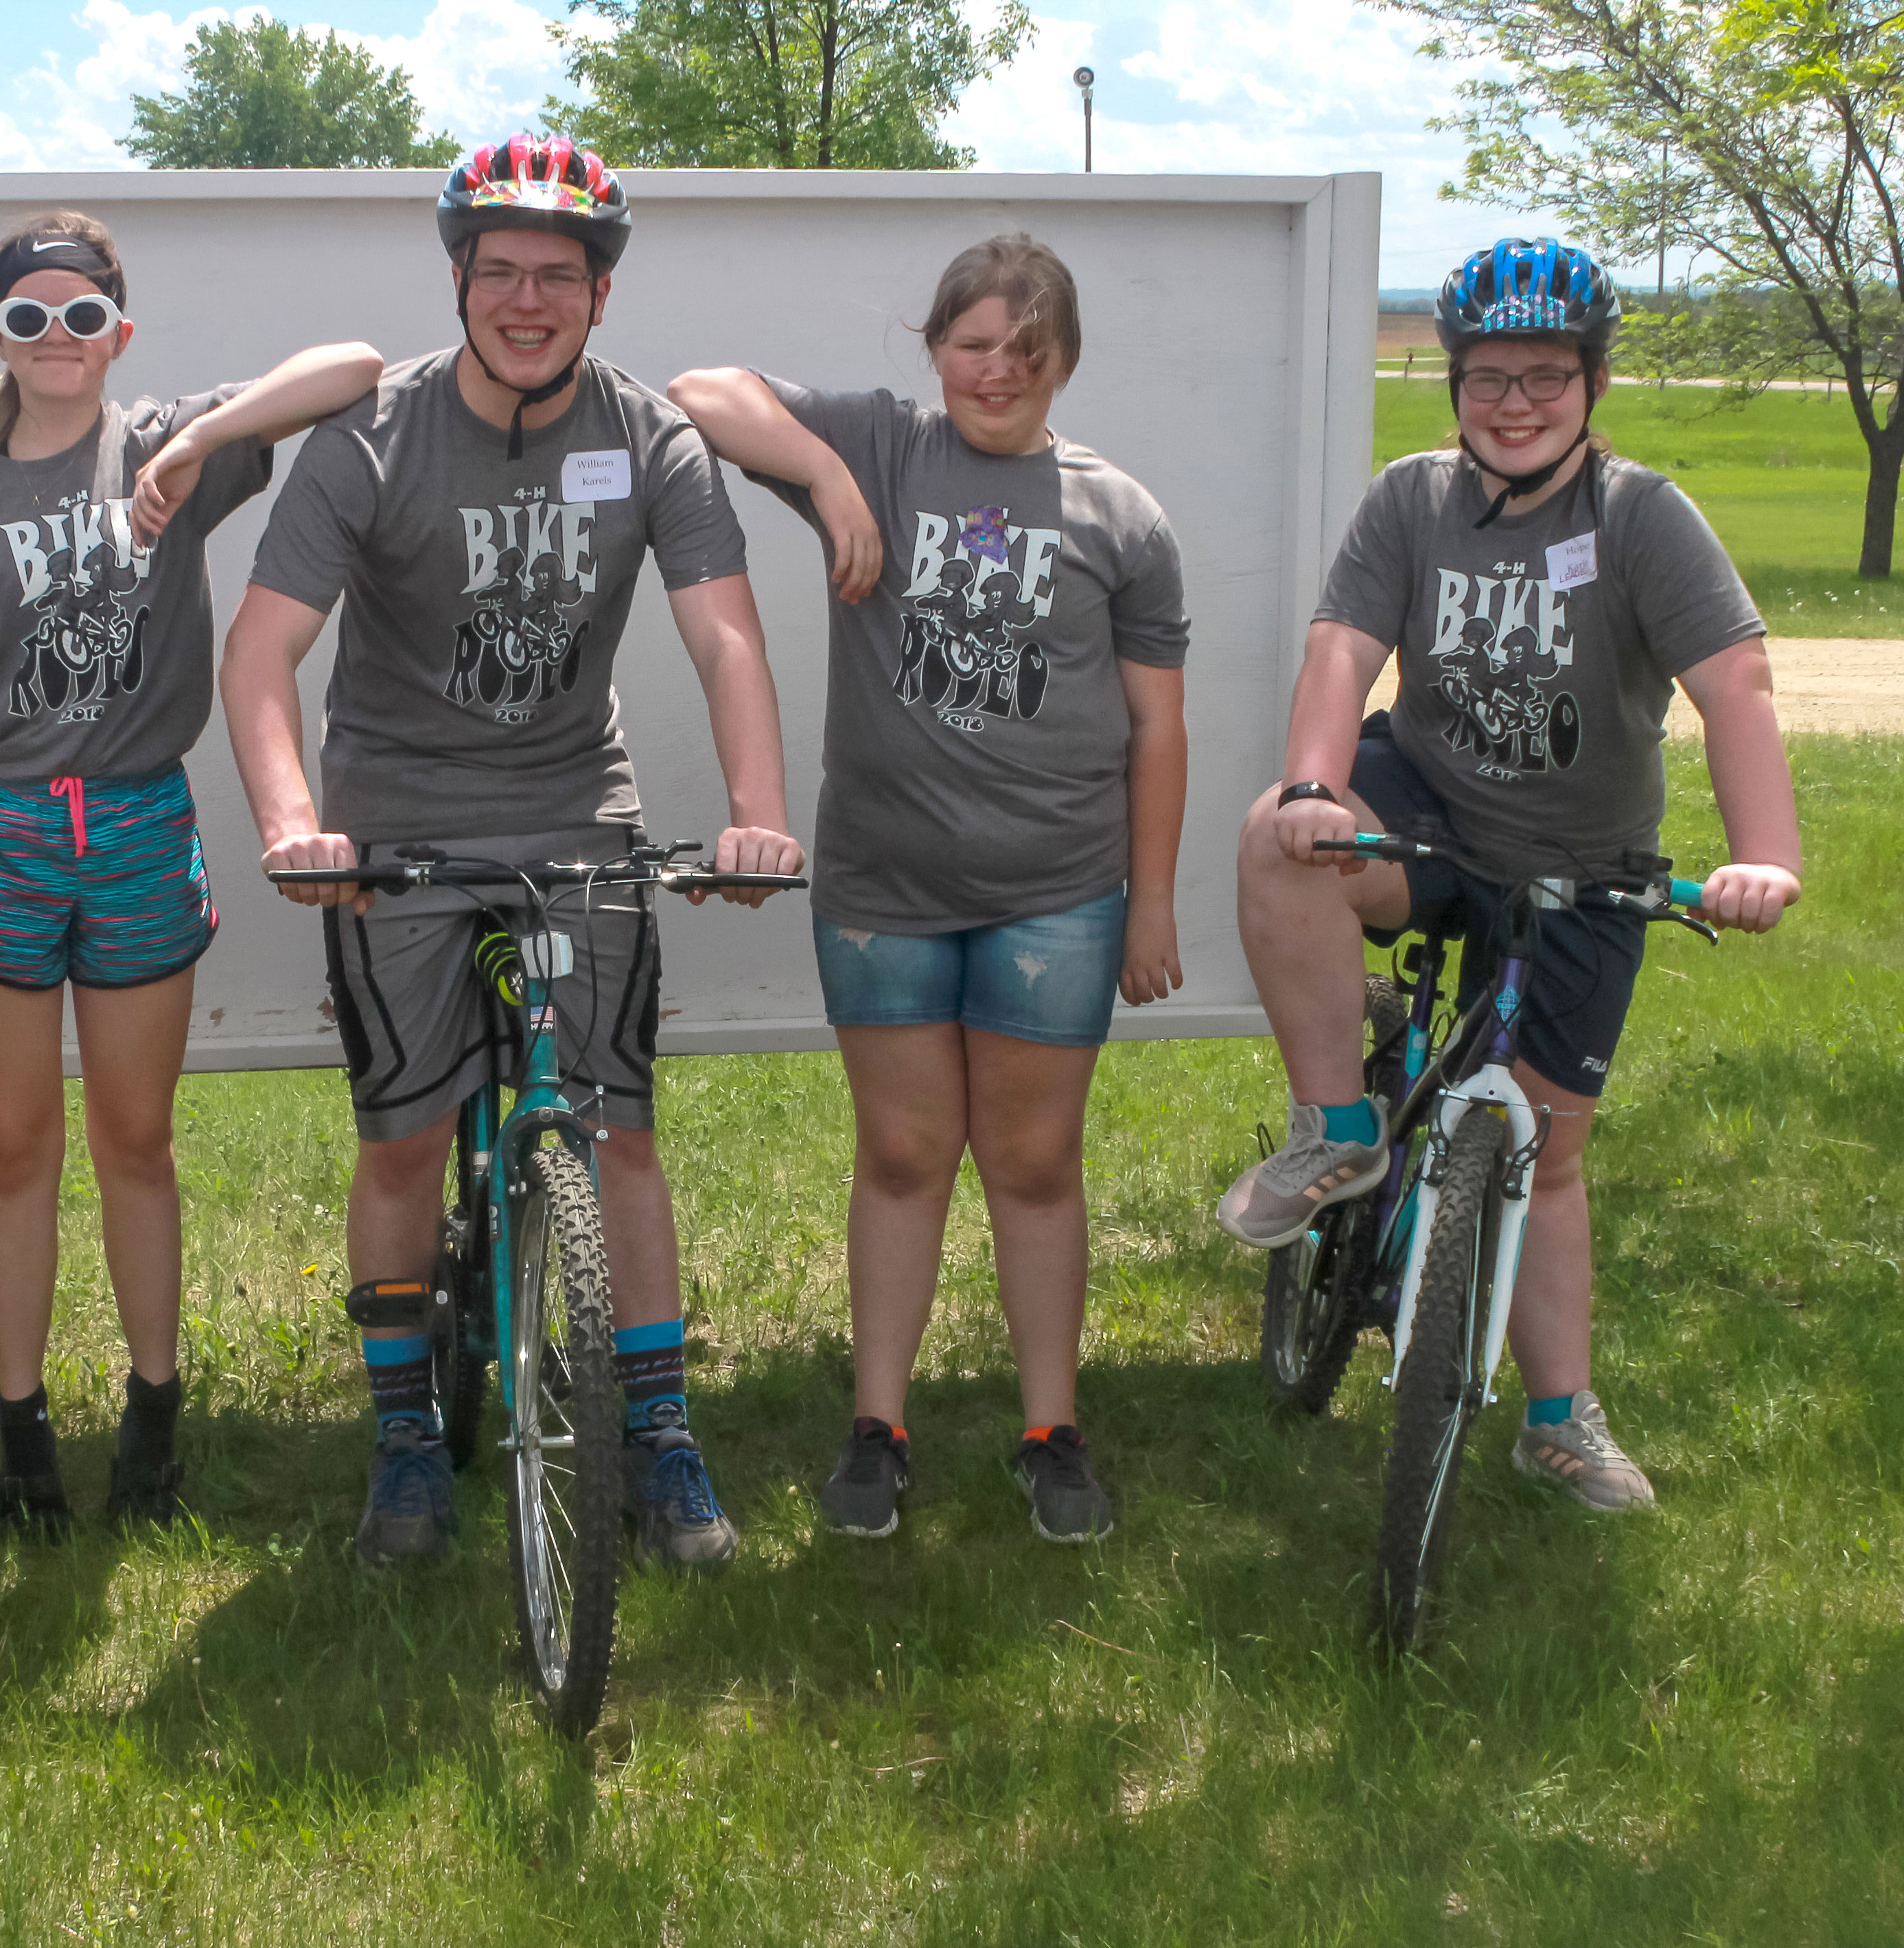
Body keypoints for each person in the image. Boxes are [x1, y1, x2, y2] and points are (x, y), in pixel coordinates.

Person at [221, 134, 804, 1570]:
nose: (525, 299)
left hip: (569, 821)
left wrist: (757, 804)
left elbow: (722, 626)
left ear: (600, 294)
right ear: (459, 279)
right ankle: (404, 1432)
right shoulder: (368, 436)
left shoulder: (648, 434)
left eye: (558, 274)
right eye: (499, 272)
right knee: (406, 1135)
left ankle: (660, 1433)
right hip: (393, 831)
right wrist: (294, 824)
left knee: (618, 1131)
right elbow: (261, 654)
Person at [1220, 237, 1801, 1510]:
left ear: (1593, 382)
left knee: (1553, 1149)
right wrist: (1320, 787)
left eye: (1547, 373)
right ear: (1456, 385)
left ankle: (1558, 1417)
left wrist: (1764, 855)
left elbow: (1734, 685)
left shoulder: (1641, 516)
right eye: (1489, 376)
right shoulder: (1410, 500)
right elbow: (1340, 652)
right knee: (1277, 834)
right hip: (1429, 817)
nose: (1517, 401)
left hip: (1587, 864)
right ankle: (1342, 1127)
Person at [0, 211, 382, 1540]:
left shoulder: (163, 453)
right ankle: (21, 1425)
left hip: (138, 825)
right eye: (28, 319)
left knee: (137, 1142)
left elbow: (356, 366)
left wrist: (196, 442)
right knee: (15, 1147)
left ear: (118, 333)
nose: (57, 340)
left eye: (83, 317)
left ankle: (155, 1405)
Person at [671, 234, 1191, 1546]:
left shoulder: (1121, 517)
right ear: (934, 348)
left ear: (1065, 360)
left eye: (1028, 348)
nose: (998, 370)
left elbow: (1158, 730)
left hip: (1057, 894)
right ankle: (877, 1425)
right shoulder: (886, 445)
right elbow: (702, 391)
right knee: (902, 1154)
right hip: (883, 886)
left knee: (1031, 1160)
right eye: (974, 342)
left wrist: (1154, 903)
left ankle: (1050, 1429)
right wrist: (827, 473)